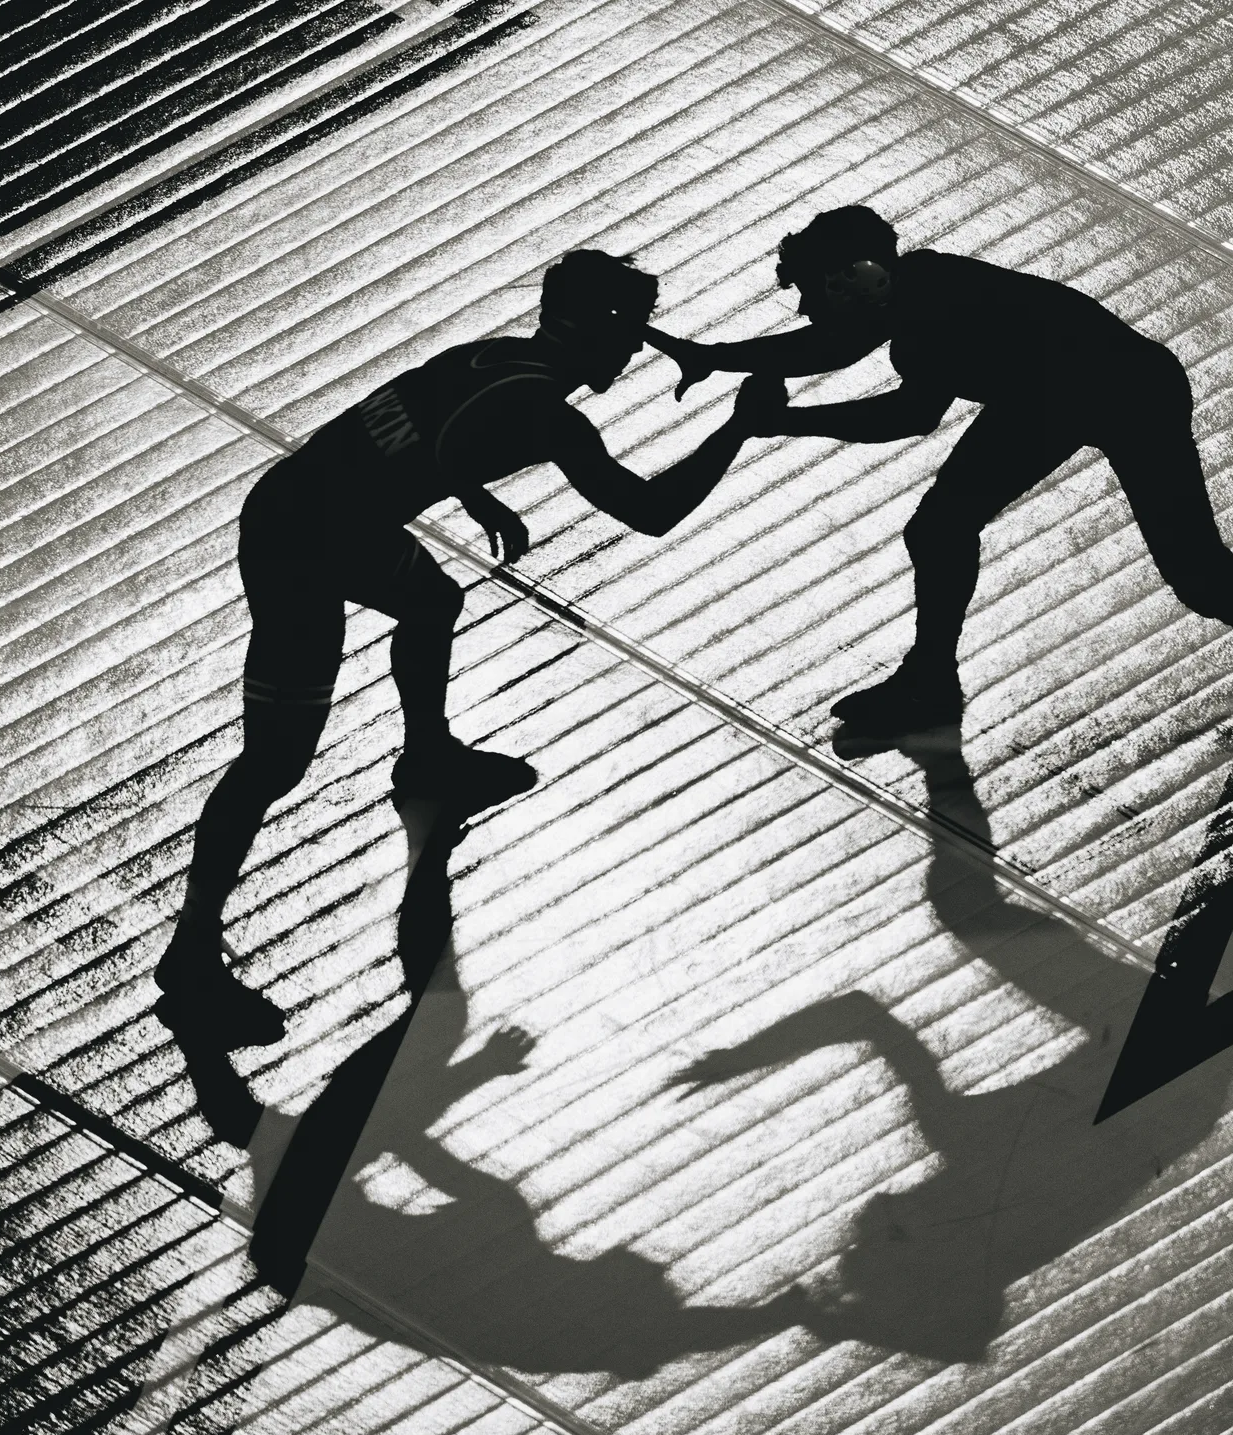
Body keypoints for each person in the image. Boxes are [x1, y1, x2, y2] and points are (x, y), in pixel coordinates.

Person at [157, 249, 781, 1046]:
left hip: (323, 509)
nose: (638, 351)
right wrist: (740, 427)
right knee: (273, 762)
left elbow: (438, 433)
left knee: (431, 599)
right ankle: (188, 961)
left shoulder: (492, 357)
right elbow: (649, 509)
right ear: (594, 327)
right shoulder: (550, 416)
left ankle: (428, 758)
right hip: (303, 546)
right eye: (632, 335)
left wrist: (476, 492)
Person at [648, 206, 1233, 769]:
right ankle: (929, 683)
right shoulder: (907, 289)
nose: (804, 310)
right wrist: (715, 355)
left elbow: (907, 414)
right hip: (1054, 394)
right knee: (938, 527)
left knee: (1197, 573)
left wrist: (781, 423)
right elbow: (832, 345)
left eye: (810, 295)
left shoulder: (928, 318)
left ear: (852, 283)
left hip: (1124, 394)